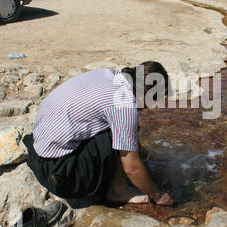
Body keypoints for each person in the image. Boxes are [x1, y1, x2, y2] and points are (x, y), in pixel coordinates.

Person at [23, 61, 173, 206]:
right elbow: (132, 169)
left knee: (123, 130)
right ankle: (118, 191)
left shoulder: (110, 75)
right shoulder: (125, 104)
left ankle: (128, 162)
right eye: (154, 99)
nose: (153, 106)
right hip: (58, 174)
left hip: (37, 153)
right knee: (124, 131)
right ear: (143, 95)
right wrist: (158, 196)